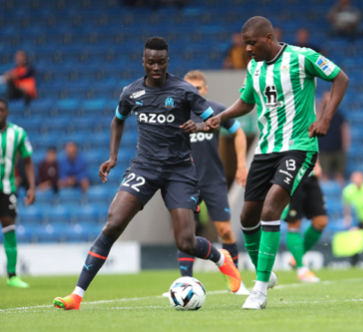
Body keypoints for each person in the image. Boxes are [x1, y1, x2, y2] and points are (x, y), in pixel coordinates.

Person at [53, 37, 242, 311]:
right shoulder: (131, 92)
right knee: (113, 223)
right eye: (151, 62)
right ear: (143, 62)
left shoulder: (184, 90)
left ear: (167, 62)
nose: (156, 67)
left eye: (161, 62)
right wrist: (113, 157)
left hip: (179, 171)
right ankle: (77, 296)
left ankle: (221, 258)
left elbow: (214, 122)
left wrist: (200, 128)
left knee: (186, 242)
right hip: (144, 167)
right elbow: (118, 120)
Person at [206, 16, 349, 309]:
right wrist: (222, 116)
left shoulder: (302, 57)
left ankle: (259, 290)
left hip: (299, 148)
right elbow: (247, 101)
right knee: (247, 216)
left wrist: (325, 118)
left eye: (252, 43)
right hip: (266, 149)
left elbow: (340, 77)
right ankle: (265, 271)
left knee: (272, 208)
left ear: (268, 38)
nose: (247, 49)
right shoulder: (254, 67)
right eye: (245, 43)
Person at [177, 70, 250, 295]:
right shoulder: (176, 114)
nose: (193, 92)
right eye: (189, 87)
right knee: (186, 233)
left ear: (205, 90)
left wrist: (240, 165)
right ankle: (185, 283)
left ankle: (235, 281)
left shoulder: (215, 111)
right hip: (185, 180)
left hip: (213, 180)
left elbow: (238, 133)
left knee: (226, 231)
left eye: (197, 88)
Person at [0, 98, 35, 288]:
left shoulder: (18, 133)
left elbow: (28, 160)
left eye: (2, 110)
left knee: (9, 227)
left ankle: (12, 275)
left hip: (7, 189)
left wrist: (32, 186)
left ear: (7, 112)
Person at [282, 162, 327, 282]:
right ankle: (302, 270)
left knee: (321, 221)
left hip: (311, 176)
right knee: (294, 223)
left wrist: (317, 162)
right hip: (293, 176)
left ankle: (297, 257)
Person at [317, 92, 349, 182]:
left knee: (340, 175)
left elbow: (344, 130)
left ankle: (342, 194)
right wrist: (320, 107)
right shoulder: (320, 114)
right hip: (324, 149)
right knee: (324, 175)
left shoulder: (339, 115)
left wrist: (345, 144)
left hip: (338, 148)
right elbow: (315, 123)